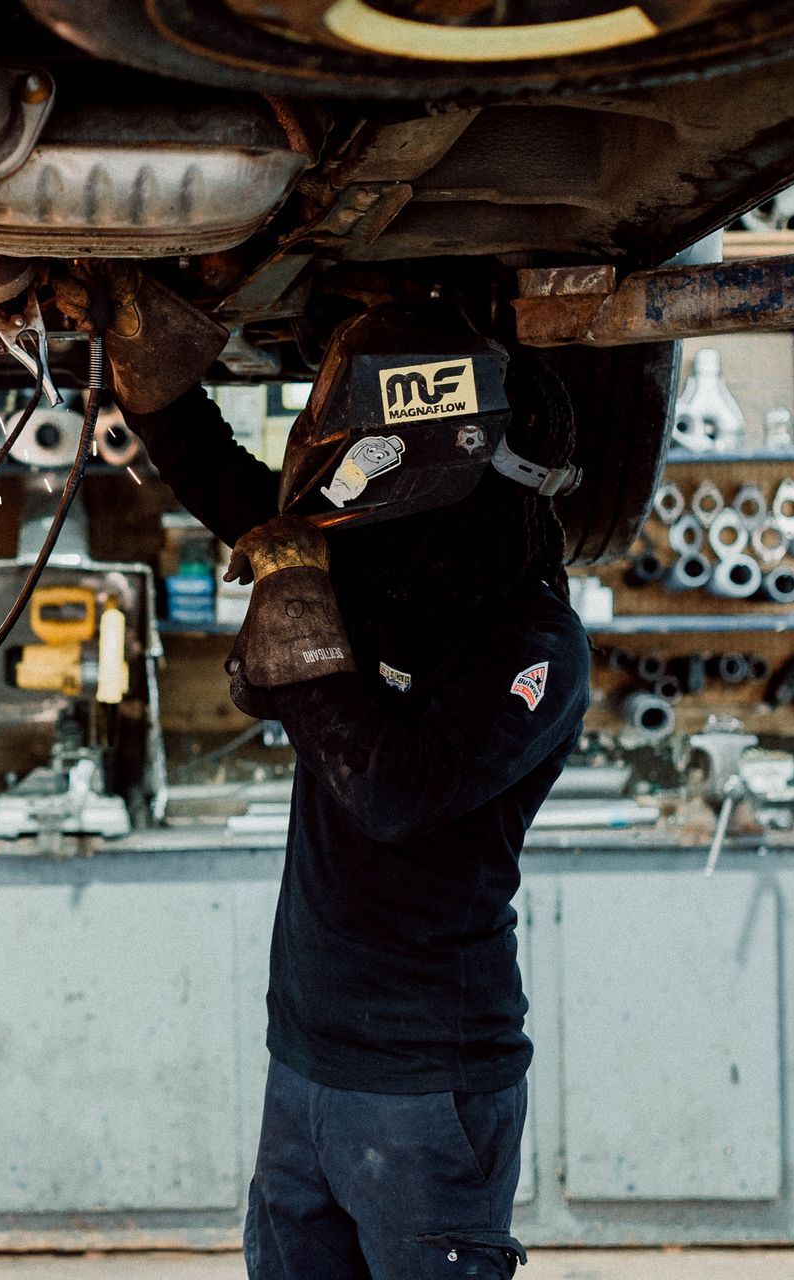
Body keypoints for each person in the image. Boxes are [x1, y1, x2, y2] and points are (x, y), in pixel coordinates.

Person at [118, 305, 592, 1280]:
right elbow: (248, 501)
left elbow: (391, 790)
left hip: (426, 1083)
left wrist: (298, 606)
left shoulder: (534, 643)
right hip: (306, 1055)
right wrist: (153, 382)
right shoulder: (383, 577)